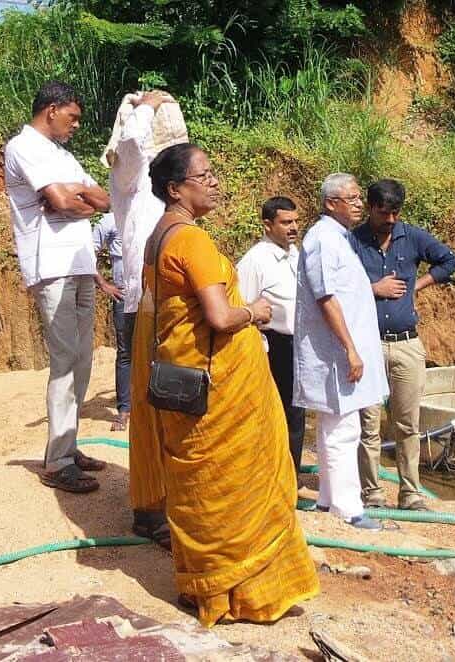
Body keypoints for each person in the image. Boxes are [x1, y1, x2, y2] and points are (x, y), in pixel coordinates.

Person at [136, 142, 318, 626]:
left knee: (201, 490)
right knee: (236, 485)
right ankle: (243, 593)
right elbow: (218, 316)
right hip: (218, 387)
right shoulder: (191, 240)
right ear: (176, 188)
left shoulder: (159, 235)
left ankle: (204, 587)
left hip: (187, 379)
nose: (215, 182)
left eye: (214, 173)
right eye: (205, 175)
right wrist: (254, 313)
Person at [4, 80, 112, 493]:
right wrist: (69, 198)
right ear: (53, 109)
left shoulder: (62, 156)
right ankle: (59, 461)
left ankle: (67, 444)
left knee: (82, 359)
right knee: (66, 358)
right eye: (73, 117)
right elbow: (64, 202)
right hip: (51, 265)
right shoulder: (24, 147)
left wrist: (75, 193)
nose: (76, 125)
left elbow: (101, 200)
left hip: (79, 262)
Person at [101, 89, 188, 545]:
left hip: (164, 301)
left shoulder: (162, 190)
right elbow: (134, 146)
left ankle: (162, 500)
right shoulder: (130, 175)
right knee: (152, 409)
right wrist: (147, 107)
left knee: (168, 405)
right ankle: (149, 509)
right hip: (145, 302)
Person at [352, 179, 455, 510]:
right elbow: (335, 287)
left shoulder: (411, 236)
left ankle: (410, 493)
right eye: (384, 213)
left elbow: (449, 261)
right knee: (367, 425)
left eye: (396, 212)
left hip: (406, 346)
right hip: (367, 345)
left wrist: (418, 285)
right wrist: (373, 289)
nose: (391, 219)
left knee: (407, 424)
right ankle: (372, 494)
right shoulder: (352, 241)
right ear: (370, 208)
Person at [294, 173, 388, 530]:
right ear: (331, 203)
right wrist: (350, 349)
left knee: (337, 426)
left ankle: (328, 499)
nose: (359, 203)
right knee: (342, 429)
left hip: (342, 352)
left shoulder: (338, 239)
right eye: (351, 198)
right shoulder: (322, 240)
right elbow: (326, 297)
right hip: (334, 355)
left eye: (358, 197)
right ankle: (347, 508)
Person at [236, 196, 306, 477]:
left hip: (297, 345)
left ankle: (291, 474)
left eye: (296, 221)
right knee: (275, 412)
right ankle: (272, 476)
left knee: (296, 412)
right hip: (272, 346)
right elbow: (242, 305)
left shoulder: (295, 254)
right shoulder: (256, 260)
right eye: (286, 222)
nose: (293, 227)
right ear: (268, 225)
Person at [92, 212, 131, 431]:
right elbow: (88, 251)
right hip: (123, 296)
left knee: (156, 348)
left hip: (151, 294)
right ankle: (124, 411)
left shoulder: (151, 213)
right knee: (125, 353)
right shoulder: (109, 220)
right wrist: (104, 284)